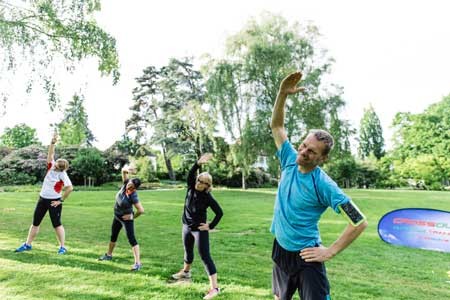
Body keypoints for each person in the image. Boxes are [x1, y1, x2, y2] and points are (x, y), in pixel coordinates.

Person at [270, 71, 368, 300]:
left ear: (322, 159)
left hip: (307, 256)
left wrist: (330, 251)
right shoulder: (288, 159)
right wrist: (282, 94)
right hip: (281, 249)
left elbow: (359, 221)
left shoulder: (325, 185)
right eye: (303, 145)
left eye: (311, 151)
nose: (303, 152)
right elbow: (277, 126)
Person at [171, 153, 223, 300]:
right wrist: (198, 163)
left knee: (205, 256)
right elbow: (190, 173)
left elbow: (219, 213)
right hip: (186, 226)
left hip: (199, 230)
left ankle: (215, 288)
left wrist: (210, 226)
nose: (197, 182)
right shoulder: (190, 187)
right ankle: (186, 272)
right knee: (187, 251)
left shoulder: (207, 197)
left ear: (207, 185)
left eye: (201, 181)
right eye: (198, 179)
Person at [15, 132, 73, 254]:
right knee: (35, 223)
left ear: (62, 168)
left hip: (54, 202)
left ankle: (62, 247)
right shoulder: (51, 166)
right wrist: (52, 142)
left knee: (57, 224)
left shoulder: (63, 175)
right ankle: (27, 244)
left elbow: (70, 188)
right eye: (55, 164)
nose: (54, 166)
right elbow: (50, 154)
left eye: (57, 166)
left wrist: (60, 200)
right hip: (42, 199)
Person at [98, 165, 144, 271]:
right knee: (113, 236)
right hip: (117, 216)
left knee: (131, 239)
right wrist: (128, 169)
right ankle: (109, 255)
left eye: (131, 186)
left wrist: (132, 216)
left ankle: (138, 263)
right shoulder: (125, 185)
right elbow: (123, 171)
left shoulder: (133, 196)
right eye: (129, 184)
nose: (128, 186)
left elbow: (141, 210)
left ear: (135, 188)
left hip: (126, 219)